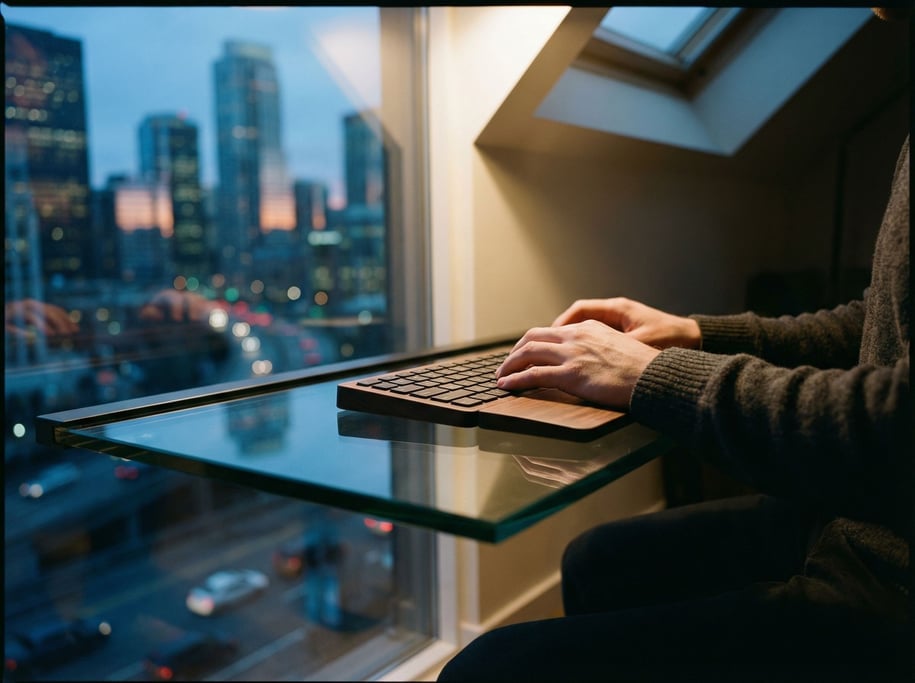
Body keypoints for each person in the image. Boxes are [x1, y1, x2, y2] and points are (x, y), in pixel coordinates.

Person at [437, 12, 910, 683]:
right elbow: (875, 324)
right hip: (860, 516)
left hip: (892, 585)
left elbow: (896, 419)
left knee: (481, 671)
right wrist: (695, 332)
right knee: (596, 558)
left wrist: (655, 374)